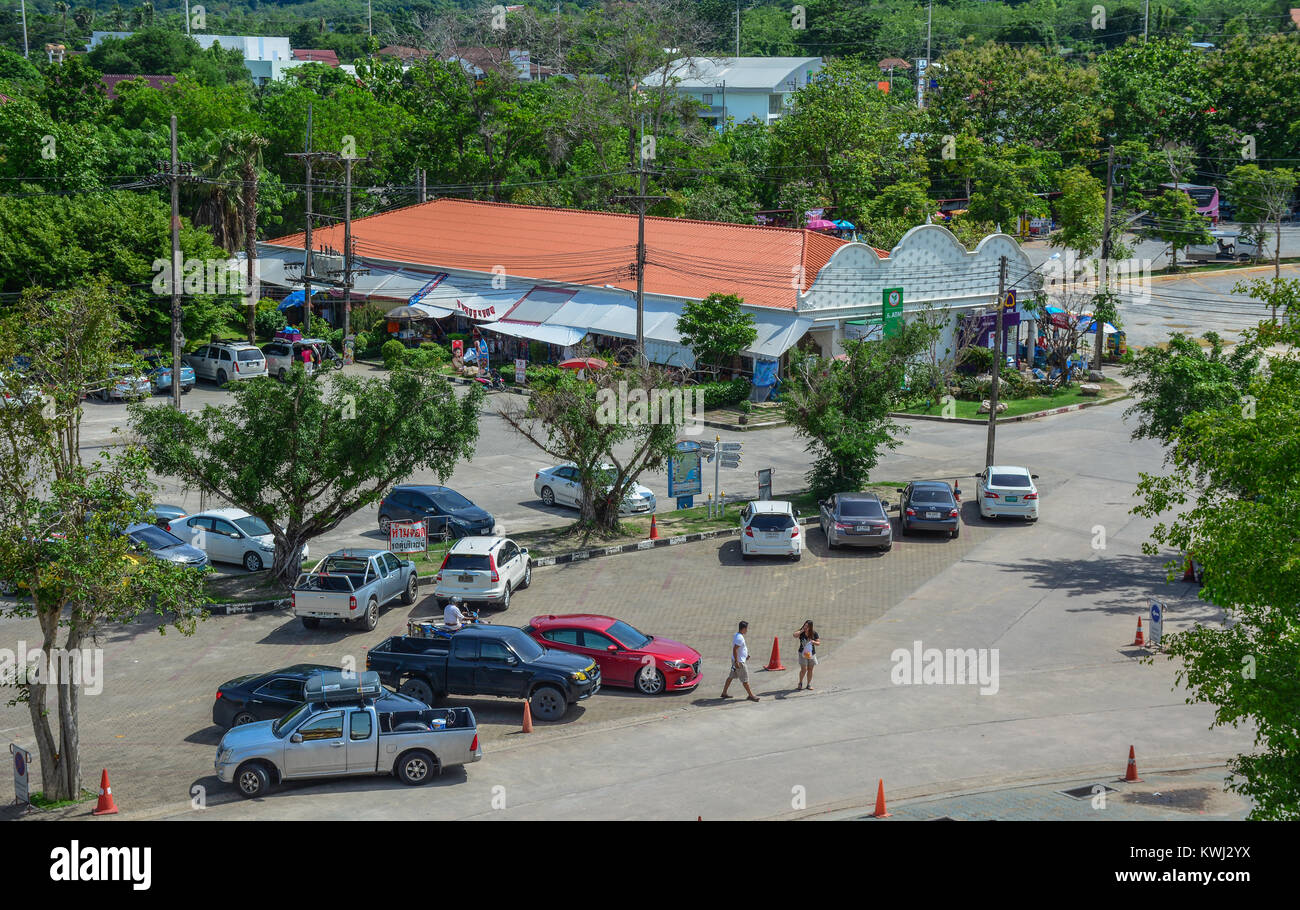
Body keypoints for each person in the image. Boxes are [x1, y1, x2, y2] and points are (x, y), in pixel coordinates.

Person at [720, 620, 759, 702]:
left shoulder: (737, 635)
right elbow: (735, 649)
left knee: (731, 676)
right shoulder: (740, 638)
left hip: (736, 660)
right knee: (745, 680)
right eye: (747, 628)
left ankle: (724, 693)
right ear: (743, 628)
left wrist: (745, 656)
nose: (747, 630)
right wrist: (737, 662)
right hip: (739, 663)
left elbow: (740, 649)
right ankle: (751, 695)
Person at [794, 620, 820, 691]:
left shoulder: (814, 633)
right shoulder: (801, 632)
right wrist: (801, 630)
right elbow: (794, 635)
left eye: (807, 626)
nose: (805, 627)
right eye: (804, 625)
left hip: (811, 654)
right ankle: (800, 683)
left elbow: (818, 643)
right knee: (804, 669)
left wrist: (813, 642)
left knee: (810, 669)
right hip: (802, 653)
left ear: (810, 627)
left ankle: (808, 684)